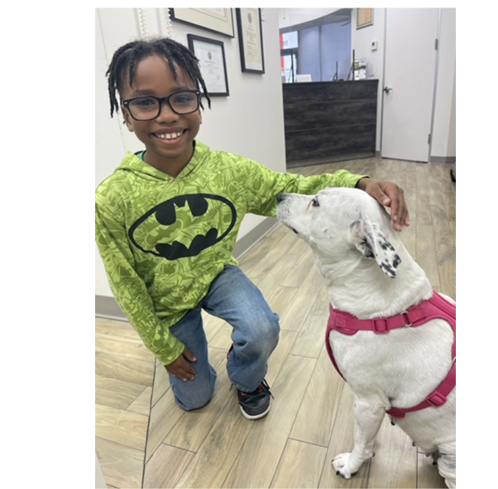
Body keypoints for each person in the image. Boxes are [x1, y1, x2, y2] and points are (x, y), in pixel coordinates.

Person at [95, 37, 410, 420]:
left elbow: (293, 189)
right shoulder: (113, 197)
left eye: (181, 97)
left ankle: (246, 376)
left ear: (199, 104)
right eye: (145, 103)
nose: (166, 115)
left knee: (262, 328)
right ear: (125, 115)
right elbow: (125, 283)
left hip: (216, 272)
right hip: (163, 299)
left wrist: (358, 182)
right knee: (195, 399)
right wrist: (164, 347)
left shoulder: (228, 172)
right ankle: (196, 371)